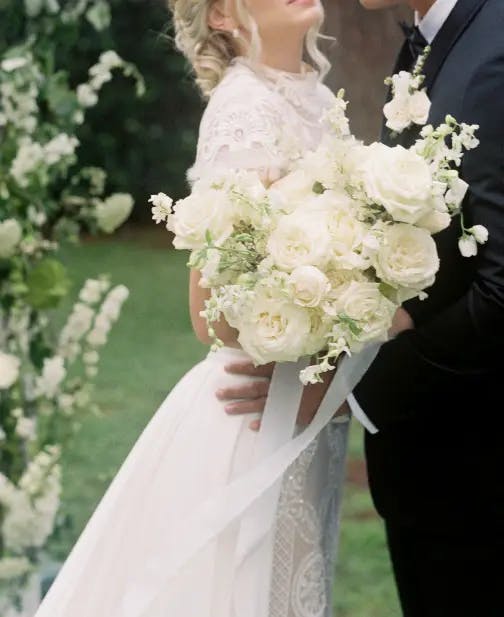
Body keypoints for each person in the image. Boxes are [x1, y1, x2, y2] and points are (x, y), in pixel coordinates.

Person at [33, 1, 361, 616]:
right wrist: (314, 322)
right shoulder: (244, 108)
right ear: (220, 16)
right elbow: (209, 311)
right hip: (256, 404)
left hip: (308, 397)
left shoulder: (314, 98)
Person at [223, 1, 504, 615]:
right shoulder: (435, 42)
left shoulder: (493, 52)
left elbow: (501, 292)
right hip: (437, 475)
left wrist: (346, 388)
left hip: (477, 479)